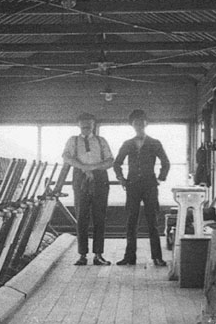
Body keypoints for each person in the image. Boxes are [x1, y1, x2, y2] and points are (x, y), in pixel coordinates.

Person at [112, 109, 170, 267]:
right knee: (131, 222)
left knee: (153, 221)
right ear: (132, 125)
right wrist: (121, 179)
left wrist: (159, 179)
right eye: (135, 122)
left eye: (141, 121)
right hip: (132, 187)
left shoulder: (154, 143)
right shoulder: (127, 144)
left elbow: (166, 163)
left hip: (150, 186)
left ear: (146, 123)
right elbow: (117, 163)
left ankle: (157, 257)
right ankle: (129, 257)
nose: (138, 124)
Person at [62, 112, 114, 266]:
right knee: (81, 216)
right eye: (83, 125)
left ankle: (98, 255)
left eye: (89, 125)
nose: (86, 127)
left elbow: (110, 160)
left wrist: (93, 168)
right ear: (79, 125)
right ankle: (82, 255)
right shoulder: (73, 140)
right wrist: (84, 168)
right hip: (80, 177)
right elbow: (66, 156)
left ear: (93, 125)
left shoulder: (101, 140)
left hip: (100, 178)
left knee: (99, 217)